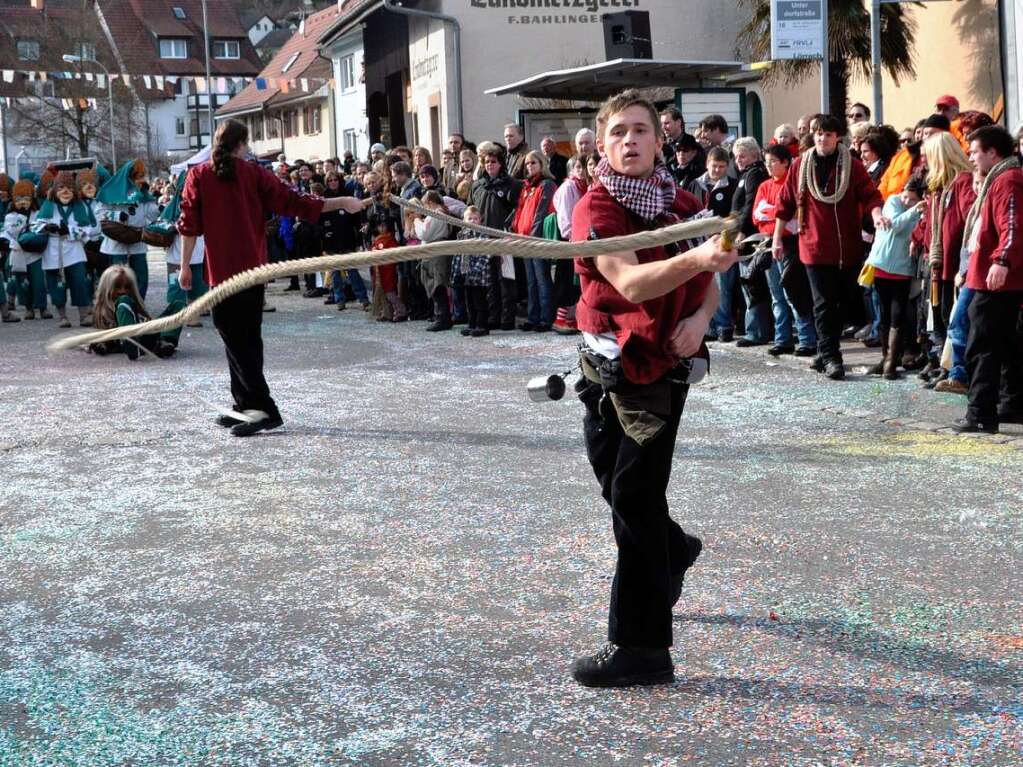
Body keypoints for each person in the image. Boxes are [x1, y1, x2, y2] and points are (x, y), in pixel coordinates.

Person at [570, 89, 737, 688]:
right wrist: (698, 258)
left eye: (641, 130)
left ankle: (641, 647)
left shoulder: (684, 203)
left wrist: (699, 321)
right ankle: (674, 548)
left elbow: (713, 281)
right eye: (619, 132)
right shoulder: (598, 210)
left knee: (635, 498)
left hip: (660, 374)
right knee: (619, 489)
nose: (630, 141)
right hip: (607, 368)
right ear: (603, 143)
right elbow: (632, 282)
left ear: (660, 141)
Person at [177, 119, 371, 437]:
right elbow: (294, 201)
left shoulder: (200, 175)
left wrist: (186, 266)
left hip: (226, 273)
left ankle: (263, 409)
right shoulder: (252, 173)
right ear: (243, 144)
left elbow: (188, 225)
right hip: (252, 272)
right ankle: (245, 404)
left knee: (237, 338)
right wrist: (341, 203)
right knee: (243, 338)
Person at [773, 114, 886, 380]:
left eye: (828, 134)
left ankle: (824, 351)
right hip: (813, 246)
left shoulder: (853, 165)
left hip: (846, 247)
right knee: (823, 303)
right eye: (818, 134)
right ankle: (832, 357)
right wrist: (777, 238)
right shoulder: (801, 165)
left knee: (841, 304)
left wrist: (877, 215)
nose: (822, 138)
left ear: (838, 137)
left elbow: (871, 196)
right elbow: (785, 203)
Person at [953, 126, 1023, 433]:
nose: (970, 157)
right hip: (990, 275)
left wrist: (1002, 260)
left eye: (975, 151)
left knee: (982, 344)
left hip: (996, 279)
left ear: (992, 152)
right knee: (1006, 344)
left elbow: (1012, 224)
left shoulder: (1007, 180)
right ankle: (1012, 403)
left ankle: (981, 412)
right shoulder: (1001, 179)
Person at [919, 132, 976, 383]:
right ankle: (945, 366)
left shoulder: (962, 182)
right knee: (939, 315)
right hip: (937, 264)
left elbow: (968, 221)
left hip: (954, 264)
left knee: (949, 315)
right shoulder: (938, 188)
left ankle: (954, 370)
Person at [755, 144, 817, 357]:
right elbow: (757, 216)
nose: (769, 166)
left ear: (785, 162)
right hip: (769, 243)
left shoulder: (792, 184)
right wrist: (777, 215)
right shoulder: (764, 186)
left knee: (794, 291)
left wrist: (771, 212)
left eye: (773, 161)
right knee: (776, 295)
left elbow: (792, 217)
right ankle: (783, 339)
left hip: (791, 245)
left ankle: (807, 339)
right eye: (767, 162)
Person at [863, 176, 927, 379]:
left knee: (897, 314)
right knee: (883, 314)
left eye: (912, 199)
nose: (907, 201)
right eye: (906, 197)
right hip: (882, 265)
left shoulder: (919, 210)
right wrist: (913, 210)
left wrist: (916, 212)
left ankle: (891, 361)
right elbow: (894, 225)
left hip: (903, 269)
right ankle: (886, 358)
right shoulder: (893, 201)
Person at [32, 171, 98, 328]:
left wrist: (69, 230)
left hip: (74, 250)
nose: (65, 191)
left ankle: (83, 315)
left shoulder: (80, 206)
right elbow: (35, 226)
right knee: (56, 284)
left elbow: (86, 230)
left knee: (79, 282)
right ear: (55, 190)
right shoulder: (48, 206)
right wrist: (47, 227)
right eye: (61, 188)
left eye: (69, 188)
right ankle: (62, 316)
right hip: (53, 250)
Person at [686, 146, 738, 341]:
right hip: (699, 242)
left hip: (721, 241)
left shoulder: (732, 185)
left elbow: (734, 214)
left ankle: (724, 325)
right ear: (707, 164)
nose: (717, 170)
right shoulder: (695, 185)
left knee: (722, 285)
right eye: (714, 166)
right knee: (703, 284)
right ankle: (709, 326)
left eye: (722, 167)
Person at [470, 145, 521, 330]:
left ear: (500, 163)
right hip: (483, 239)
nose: (490, 165)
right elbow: (471, 210)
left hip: (504, 239)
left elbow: (517, 211)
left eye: (493, 162)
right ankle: (493, 316)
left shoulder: (512, 184)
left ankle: (507, 319)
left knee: (506, 281)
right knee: (488, 281)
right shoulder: (477, 186)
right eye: (486, 162)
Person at [95, 160, 159, 299]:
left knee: (141, 276)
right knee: (118, 279)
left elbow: (152, 216)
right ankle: (118, 306)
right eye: (138, 177)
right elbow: (99, 213)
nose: (141, 180)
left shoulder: (143, 195)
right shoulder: (111, 191)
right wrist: (117, 215)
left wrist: (153, 203)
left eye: (143, 176)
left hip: (137, 242)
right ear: (129, 177)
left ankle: (138, 305)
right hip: (116, 243)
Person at [730, 137, 772, 348]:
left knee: (751, 284)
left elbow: (750, 204)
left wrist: (741, 231)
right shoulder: (746, 174)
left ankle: (757, 331)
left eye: (743, 155)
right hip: (745, 234)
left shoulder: (754, 174)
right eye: (736, 156)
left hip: (751, 237)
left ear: (755, 155)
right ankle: (757, 329)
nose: (738, 160)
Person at [89, 265, 182, 360]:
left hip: (145, 337)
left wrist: (151, 324)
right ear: (106, 290)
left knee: (178, 305)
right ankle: (132, 342)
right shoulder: (103, 312)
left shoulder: (134, 305)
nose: (122, 291)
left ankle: (165, 342)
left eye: (127, 287)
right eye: (117, 287)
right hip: (124, 340)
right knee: (123, 300)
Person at [512, 151, 557, 332]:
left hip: (536, 240)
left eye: (533, 163)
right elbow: (519, 212)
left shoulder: (546, 185)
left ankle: (546, 318)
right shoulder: (527, 187)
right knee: (531, 281)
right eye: (527, 164)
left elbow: (541, 212)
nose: (529, 166)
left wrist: (533, 237)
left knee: (542, 279)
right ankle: (533, 317)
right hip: (524, 239)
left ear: (542, 164)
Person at [551, 154, 589, 334]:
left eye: (584, 167)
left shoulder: (585, 186)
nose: (581, 171)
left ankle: (572, 316)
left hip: (581, 238)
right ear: (572, 170)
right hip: (568, 239)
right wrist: (572, 236)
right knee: (565, 280)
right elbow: (565, 217)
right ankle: (561, 318)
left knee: (576, 282)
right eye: (578, 168)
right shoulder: (569, 187)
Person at [321, 171, 370, 312]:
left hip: (348, 238)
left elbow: (358, 221)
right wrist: (323, 236)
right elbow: (319, 221)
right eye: (329, 180)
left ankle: (363, 299)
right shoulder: (324, 198)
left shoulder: (348, 195)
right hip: (330, 239)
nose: (333, 182)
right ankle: (339, 299)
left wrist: (360, 239)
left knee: (352, 271)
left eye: (335, 179)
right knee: (335, 273)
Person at [2, 179, 49, 320]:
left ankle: (42, 307)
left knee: (39, 281)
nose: (23, 202)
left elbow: (41, 229)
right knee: (22, 282)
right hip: (19, 253)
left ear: (32, 198)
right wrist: (22, 217)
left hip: (35, 254)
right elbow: (12, 232)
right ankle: (28, 308)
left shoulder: (38, 213)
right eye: (18, 199)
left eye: (26, 198)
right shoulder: (10, 216)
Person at [413, 190, 454, 331]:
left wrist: (417, 220)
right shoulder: (442, 213)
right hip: (436, 251)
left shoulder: (436, 214)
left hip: (436, 253)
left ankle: (442, 318)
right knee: (437, 286)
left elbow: (424, 233)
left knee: (437, 286)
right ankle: (441, 316)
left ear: (429, 203)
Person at [454, 205, 491, 337]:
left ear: (480, 220)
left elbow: (486, 255)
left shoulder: (483, 235)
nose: (472, 221)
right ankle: (472, 324)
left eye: (475, 219)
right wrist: (456, 272)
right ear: (464, 220)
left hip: (479, 276)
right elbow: (457, 255)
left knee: (480, 301)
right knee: (469, 301)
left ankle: (482, 326)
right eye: (469, 218)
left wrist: (475, 270)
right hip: (465, 274)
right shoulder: (462, 234)